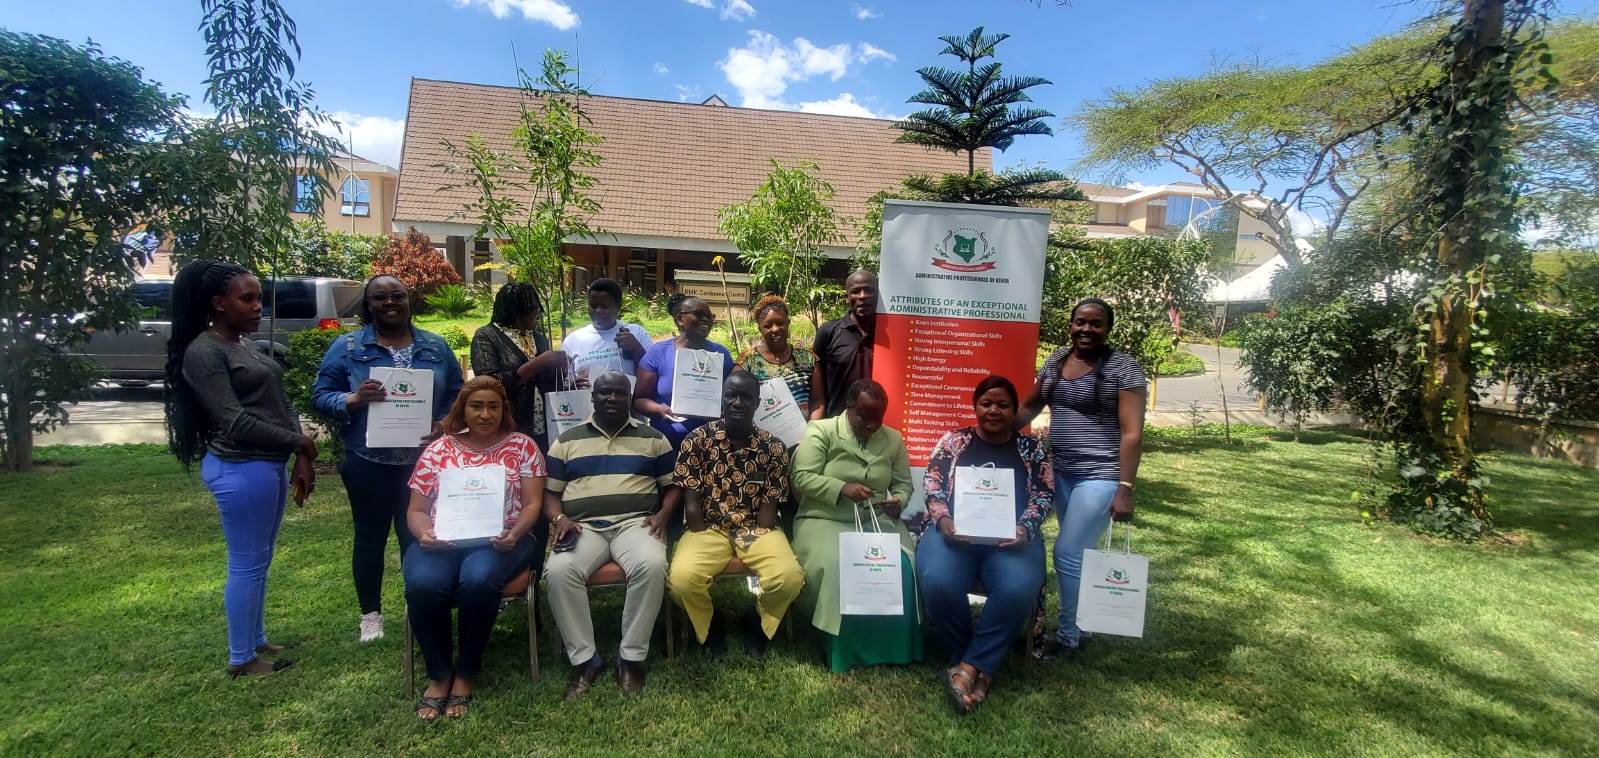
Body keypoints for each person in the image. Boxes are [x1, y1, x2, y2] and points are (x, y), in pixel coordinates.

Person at [164, 260, 317, 678]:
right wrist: (297, 442)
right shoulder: (205, 351)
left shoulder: (242, 344)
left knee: (260, 559)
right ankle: (242, 659)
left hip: (267, 466)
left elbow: (280, 401)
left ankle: (256, 639)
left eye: (258, 299)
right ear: (219, 303)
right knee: (247, 562)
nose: (256, 307)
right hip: (240, 468)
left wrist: (300, 450)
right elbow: (234, 421)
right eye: (246, 299)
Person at [312, 274, 465, 643]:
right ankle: (371, 614)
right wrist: (352, 399)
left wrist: (444, 422)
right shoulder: (348, 346)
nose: (390, 303)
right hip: (369, 462)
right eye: (380, 298)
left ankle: (420, 604)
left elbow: (458, 394)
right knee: (370, 538)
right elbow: (321, 395)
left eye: (398, 295)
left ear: (408, 300)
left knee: (419, 536)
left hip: (424, 464)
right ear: (368, 305)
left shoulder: (434, 346)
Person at [402, 376, 544, 720]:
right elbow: (416, 510)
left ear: (503, 409)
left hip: (503, 540)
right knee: (424, 584)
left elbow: (532, 504)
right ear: (462, 409)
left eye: (493, 406)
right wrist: (423, 534)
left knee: (479, 578)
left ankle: (466, 671)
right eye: (476, 406)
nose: (485, 414)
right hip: (442, 541)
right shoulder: (439, 450)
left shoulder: (523, 447)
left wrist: (514, 534)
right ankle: (439, 674)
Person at [917, 375, 1054, 714]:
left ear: (1014, 410)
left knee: (1016, 587)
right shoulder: (953, 441)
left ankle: (967, 669)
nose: (994, 410)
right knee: (938, 580)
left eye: (1003, 405)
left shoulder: (1032, 449)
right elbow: (933, 484)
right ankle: (976, 664)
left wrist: (1025, 528)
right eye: (986, 403)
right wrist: (943, 520)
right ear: (975, 406)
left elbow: (1044, 493)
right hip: (953, 534)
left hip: (1011, 539)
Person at [1018, 297, 1146, 659]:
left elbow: (1132, 432)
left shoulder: (1123, 367)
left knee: (1068, 552)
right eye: (1080, 322)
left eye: (1096, 323)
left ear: (1108, 328)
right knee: (1081, 552)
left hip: (1101, 475)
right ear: (1071, 325)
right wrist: (992, 434)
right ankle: (1084, 625)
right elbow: (1031, 405)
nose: (1086, 329)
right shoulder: (1057, 360)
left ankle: (1070, 636)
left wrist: (1125, 487)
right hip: (1060, 472)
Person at [543, 371, 680, 698]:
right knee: (559, 571)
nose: (612, 398)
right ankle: (585, 660)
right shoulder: (566, 440)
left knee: (651, 565)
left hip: (636, 524)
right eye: (605, 393)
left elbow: (672, 486)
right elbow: (551, 494)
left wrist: (663, 514)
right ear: (592, 397)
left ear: (630, 398)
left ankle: (631, 658)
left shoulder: (653, 438)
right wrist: (559, 518)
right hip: (582, 527)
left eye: (620, 393)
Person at [666, 371, 805, 657]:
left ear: (757, 403)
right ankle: (709, 621)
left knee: (789, 578)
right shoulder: (697, 440)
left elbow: (769, 510)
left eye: (745, 397)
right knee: (681, 580)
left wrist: (747, 540)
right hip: (707, 527)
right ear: (722, 398)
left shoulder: (773, 447)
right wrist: (704, 534)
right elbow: (691, 501)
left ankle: (756, 620)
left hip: (757, 527)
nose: (737, 402)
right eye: (731, 396)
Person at [790, 379, 922, 672]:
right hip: (825, 518)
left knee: (902, 564)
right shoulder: (821, 431)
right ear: (849, 408)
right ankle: (843, 649)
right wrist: (841, 488)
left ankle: (894, 647)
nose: (872, 425)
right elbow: (802, 477)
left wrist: (898, 501)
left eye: (878, 418)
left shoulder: (893, 439)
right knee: (841, 565)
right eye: (864, 417)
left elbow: (903, 483)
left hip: (877, 519)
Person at [469, 283, 567, 451]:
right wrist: (536, 364)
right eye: (533, 308)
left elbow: (544, 381)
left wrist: (564, 377)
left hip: (544, 427)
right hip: (508, 427)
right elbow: (488, 384)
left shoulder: (537, 337)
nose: (538, 314)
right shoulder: (486, 336)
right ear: (516, 311)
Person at [634, 295, 734, 450]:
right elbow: (639, 399)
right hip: (667, 444)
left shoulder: (720, 354)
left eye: (709, 316)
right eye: (699, 314)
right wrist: (659, 409)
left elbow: (732, 393)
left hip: (710, 445)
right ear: (680, 319)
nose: (706, 320)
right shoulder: (658, 353)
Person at [810, 270, 878, 420]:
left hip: (876, 425)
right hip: (835, 425)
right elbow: (816, 385)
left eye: (869, 290)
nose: (863, 296)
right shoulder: (828, 332)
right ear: (847, 297)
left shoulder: (890, 335)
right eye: (856, 291)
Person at [737, 294, 816, 417]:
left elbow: (818, 402)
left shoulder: (807, 358)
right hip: (761, 429)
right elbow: (735, 398)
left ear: (788, 323)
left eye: (780, 323)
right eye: (768, 326)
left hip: (806, 429)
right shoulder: (747, 362)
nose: (775, 329)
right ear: (760, 329)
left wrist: (813, 428)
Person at [562, 278, 651, 385]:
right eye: (593, 306)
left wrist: (637, 349)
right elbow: (564, 383)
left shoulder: (637, 333)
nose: (598, 311)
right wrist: (574, 384)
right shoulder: (573, 341)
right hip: (585, 396)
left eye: (604, 306)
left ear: (618, 306)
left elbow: (653, 373)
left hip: (629, 396)